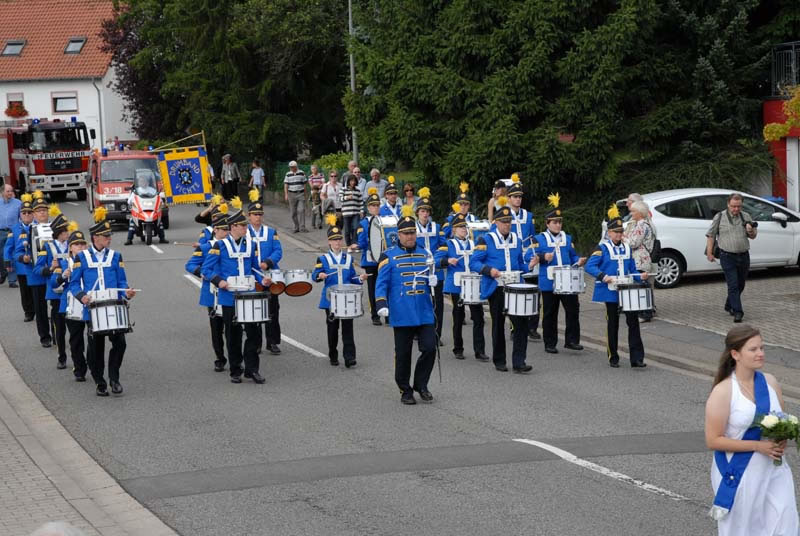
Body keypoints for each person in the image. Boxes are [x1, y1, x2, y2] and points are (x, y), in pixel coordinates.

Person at [705, 324, 799, 534]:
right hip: (740, 472)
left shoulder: (770, 382)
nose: (760, 353)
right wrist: (758, 446)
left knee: (785, 524)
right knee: (744, 530)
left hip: (774, 468)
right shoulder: (723, 391)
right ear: (735, 354)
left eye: (762, 348)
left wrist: (783, 436)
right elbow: (713, 440)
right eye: (753, 349)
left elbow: (780, 419)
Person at [69, 207, 136, 396]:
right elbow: (74, 284)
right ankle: (100, 381)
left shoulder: (116, 256)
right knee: (95, 349)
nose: (109, 239)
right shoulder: (82, 258)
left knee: (120, 344)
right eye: (106, 236)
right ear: (95, 237)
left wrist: (127, 292)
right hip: (93, 309)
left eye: (109, 236)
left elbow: (121, 281)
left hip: (114, 307)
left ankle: (114, 378)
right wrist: (82, 296)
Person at [375, 205, 438, 405]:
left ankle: (421, 384)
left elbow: (430, 276)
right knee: (403, 354)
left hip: (424, 310)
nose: (410, 236)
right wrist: (381, 303)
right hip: (402, 311)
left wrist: (434, 280)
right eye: (406, 233)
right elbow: (381, 283)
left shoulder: (425, 253)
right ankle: (405, 389)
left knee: (430, 348)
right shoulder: (388, 255)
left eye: (412, 233)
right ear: (399, 235)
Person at [202, 207, 270, 384]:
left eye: (246, 226)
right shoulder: (220, 245)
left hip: (248, 296)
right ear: (233, 227)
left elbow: (254, 268)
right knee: (233, 335)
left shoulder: (251, 245)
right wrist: (219, 281)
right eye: (243, 226)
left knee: (254, 334)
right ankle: (235, 370)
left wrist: (263, 279)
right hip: (229, 298)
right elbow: (206, 269)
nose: (246, 229)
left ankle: (252, 369)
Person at [471, 197, 537, 373]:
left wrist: (530, 265)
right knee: (498, 324)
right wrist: (489, 270)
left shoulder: (517, 239)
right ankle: (499, 360)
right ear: (496, 222)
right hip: (497, 287)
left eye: (509, 221)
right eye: (504, 221)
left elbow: (520, 264)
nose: (507, 225)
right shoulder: (486, 239)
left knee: (521, 324)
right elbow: (474, 262)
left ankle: (519, 362)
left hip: (515, 287)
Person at [584, 205, 649, 368]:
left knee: (633, 322)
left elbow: (632, 269)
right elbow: (589, 266)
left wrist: (640, 276)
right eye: (616, 232)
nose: (619, 235)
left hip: (627, 291)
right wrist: (603, 276)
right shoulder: (602, 248)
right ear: (609, 232)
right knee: (613, 323)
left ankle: (637, 358)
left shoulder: (627, 247)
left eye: (621, 232)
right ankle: (613, 356)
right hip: (610, 291)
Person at [312, 214, 368, 367]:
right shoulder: (323, 259)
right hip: (330, 300)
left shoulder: (348, 258)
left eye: (339, 239)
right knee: (333, 329)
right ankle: (333, 354)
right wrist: (320, 275)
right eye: (334, 239)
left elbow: (352, 278)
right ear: (329, 241)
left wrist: (360, 278)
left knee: (348, 329)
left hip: (347, 298)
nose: (337, 242)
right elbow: (315, 275)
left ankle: (349, 357)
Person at [534, 193, 585, 354]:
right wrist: (543, 257)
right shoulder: (539, 239)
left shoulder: (567, 238)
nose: (558, 225)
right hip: (549, 281)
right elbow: (530, 256)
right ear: (547, 223)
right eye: (554, 222)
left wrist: (578, 261)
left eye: (559, 222)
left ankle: (572, 340)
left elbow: (572, 255)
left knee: (573, 310)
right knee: (550, 312)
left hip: (567, 280)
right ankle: (550, 342)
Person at [186, 204, 230, 372]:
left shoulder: (233, 245)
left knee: (232, 328)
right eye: (223, 229)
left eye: (228, 229)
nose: (226, 232)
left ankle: (235, 358)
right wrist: (201, 273)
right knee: (217, 328)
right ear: (215, 230)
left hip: (230, 291)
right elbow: (190, 265)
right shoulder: (205, 247)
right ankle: (220, 357)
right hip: (212, 293)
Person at [706, 193, 757, 323]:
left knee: (741, 284)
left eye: (739, 206)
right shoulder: (720, 217)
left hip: (744, 256)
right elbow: (711, 235)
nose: (736, 209)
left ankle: (729, 304)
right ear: (728, 204)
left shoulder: (746, 216)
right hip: (727, 256)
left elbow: (753, 236)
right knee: (733, 284)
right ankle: (738, 311)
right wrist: (710, 252)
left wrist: (750, 230)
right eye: (734, 206)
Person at [444, 211, 488, 361]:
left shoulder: (474, 243)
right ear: (454, 229)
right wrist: (447, 261)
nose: (463, 229)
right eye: (460, 227)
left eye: (465, 226)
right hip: (457, 285)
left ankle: (479, 351)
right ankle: (458, 348)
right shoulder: (448, 244)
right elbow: (437, 260)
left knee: (479, 318)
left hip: (473, 283)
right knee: (458, 317)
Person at [246, 192, 283, 355]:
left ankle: (272, 342)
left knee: (272, 309)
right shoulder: (244, 232)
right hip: (253, 276)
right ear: (249, 216)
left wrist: (267, 262)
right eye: (255, 214)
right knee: (255, 310)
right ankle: (256, 343)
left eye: (260, 214)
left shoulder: (270, 232)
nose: (258, 217)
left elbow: (278, 251)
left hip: (270, 275)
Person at [52, 223, 89, 381]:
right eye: (76, 244)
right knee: (76, 338)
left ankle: (92, 363)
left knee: (93, 337)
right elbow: (53, 283)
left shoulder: (90, 261)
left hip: (88, 302)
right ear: (71, 248)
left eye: (82, 244)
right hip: (71, 305)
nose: (80, 247)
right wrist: (63, 276)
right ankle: (79, 368)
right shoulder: (64, 262)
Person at [34, 212, 71, 368]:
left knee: (75, 328)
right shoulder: (47, 247)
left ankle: (78, 358)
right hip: (56, 293)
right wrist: (51, 267)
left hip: (72, 290)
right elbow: (37, 269)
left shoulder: (73, 245)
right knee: (59, 328)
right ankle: (61, 357)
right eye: (65, 230)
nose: (68, 233)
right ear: (59, 232)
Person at [17, 193, 53, 347]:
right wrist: (23, 258)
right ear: (34, 214)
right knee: (40, 308)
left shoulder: (55, 227)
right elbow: (18, 252)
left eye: (44, 210)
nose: (42, 213)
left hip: (54, 272)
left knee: (57, 306)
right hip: (35, 273)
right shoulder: (28, 231)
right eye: (38, 211)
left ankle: (57, 334)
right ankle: (45, 337)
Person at [415, 188, 448, 343]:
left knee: (437, 304)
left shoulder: (437, 227)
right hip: (419, 271)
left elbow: (444, 246)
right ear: (417, 212)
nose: (425, 214)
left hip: (436, 271)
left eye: (427, 211)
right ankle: (419, 332)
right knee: (419, 302)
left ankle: (436, 335)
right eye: (422, 211)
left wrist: (436, 258)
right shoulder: (412, 228)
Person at [624, 200, 656, 322]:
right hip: (639, 259)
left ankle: (645, 313)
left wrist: (623, 238)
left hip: (640, 260)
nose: (631, 213)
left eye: (633, 211)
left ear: (640, 212)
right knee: (641, 286)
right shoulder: (639, 224)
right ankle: (643, 312)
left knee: (641, 286)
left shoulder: (642, 225)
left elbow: (633, 243)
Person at [4, 194, 34, 318]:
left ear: (33, 214)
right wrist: (7, 261)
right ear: (20, 214)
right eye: (24, 213)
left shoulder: (37, 227)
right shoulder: (14, 229)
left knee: (37, 290)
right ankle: (28, 312)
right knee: (25, 290)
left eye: (29, 212)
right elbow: (8, 247)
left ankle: (39, 309)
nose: (26, 215)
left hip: (36, 264)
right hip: (22, 266)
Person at [357, 188, 383, 325]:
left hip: (384, 260)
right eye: (373, 205)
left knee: (386, 286)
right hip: (370, 260)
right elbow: (361, 242)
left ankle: (387, 313)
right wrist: (358, 245)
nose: (375, 208)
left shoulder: (384, 220)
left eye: (377, 205)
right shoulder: (363, 223)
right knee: (372, 288)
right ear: (368, 207)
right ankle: (375, 315)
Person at [124, 172, 166, 245]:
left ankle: (162, 238)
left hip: (151, 209)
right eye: (141, 181)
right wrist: (132, 202)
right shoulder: (136, 191)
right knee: (132, 222)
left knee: (160, 222)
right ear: (139, 183)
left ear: (147, 182)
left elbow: (158, 197)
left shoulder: (152, 190)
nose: (143, 182)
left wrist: (161, 202)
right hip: (140, 210)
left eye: (144, 181)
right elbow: (129, 201)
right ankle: (129, 239)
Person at [0, 184, 21, 286]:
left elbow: (22, 217)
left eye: (11, 191)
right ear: (2, 192)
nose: (10, 193)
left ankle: (12, 280)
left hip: (12, 233)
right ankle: (3, 272)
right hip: (0, 232)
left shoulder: (18, 203)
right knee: (1, 255)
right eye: (8, 191)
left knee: (11, 255)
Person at [340, 174, 363, 252]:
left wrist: (361, 211)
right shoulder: (343, 189)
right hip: (346, 213)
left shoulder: (358, 191)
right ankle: (349, 246)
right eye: (351, 181)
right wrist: (347, 197)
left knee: (355, 228)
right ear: (348, 181)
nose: (353, 182)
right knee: (347, 230)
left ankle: (354, 245)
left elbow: (360, 202)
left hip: (356, 212)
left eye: (354, 181)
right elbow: (340, 199)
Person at [284, 160, 308, 233]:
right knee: (293, 212)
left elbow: (304, 183)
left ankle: (302, 227)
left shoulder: (301, 173)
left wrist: (305, 193)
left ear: (296, 166)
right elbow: (286, 185)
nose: (291, 168)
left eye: (292, 167)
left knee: (301, 210)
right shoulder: (288, 174)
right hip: (291, 194)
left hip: (300, 193)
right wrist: (286, 194)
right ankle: (296, 227)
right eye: (290, 167)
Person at [308, 165, 325, 229]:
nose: (314, 170)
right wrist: (317, 187)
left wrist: (318, 187)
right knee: (314, 211)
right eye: (312, 169)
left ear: (317, 169)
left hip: (321, 193)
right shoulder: (310, 176)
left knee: (320, 210)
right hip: (313, 194)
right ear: (311, 170)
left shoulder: (321, 175)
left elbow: (323, 183)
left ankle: (319, 224)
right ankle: (313, 224)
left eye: (315, 169)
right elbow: (311, 185)